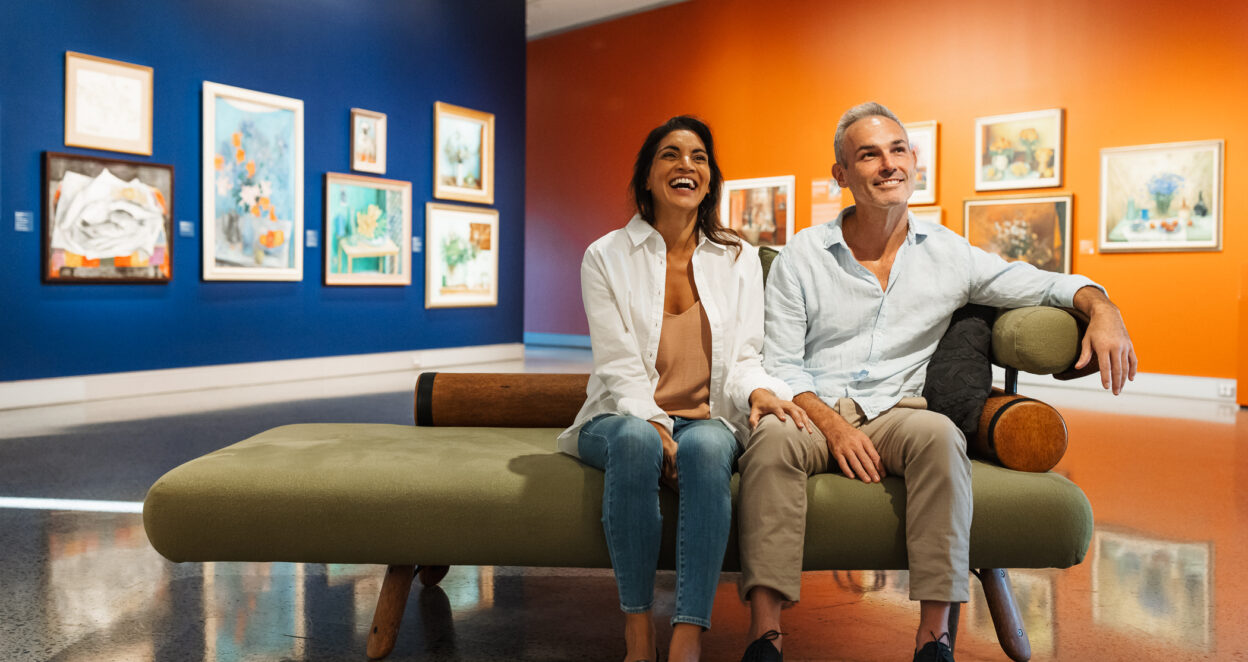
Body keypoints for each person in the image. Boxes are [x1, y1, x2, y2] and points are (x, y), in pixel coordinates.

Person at [736, 102, 1137, 662]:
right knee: (773, 441)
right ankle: (765, 635)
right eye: (868, 154)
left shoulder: (950, 254)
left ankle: (934, 640)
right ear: (841, 175)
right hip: (813, 407)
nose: (887, 164)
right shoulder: (804, 253)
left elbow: (1043, 285)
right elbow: (782, 364)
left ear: (913, 162)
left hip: (898, 411)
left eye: (898, 150)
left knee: (942, 437)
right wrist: (832, 427)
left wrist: (1104, 307)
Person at [557, 115, 809, 662]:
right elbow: (618, 364)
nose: (686, 165)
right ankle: (638, 630)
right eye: (670, 155)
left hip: (707, 418)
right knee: (635, 442)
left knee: (712, 447)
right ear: (648, 176)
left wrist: (758, 391)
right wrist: (654, 423)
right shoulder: (604, 256)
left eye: (698, 157)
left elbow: (743, 357)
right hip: (618, 418)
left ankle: (689, 634)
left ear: (710, 178)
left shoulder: (739, 258)